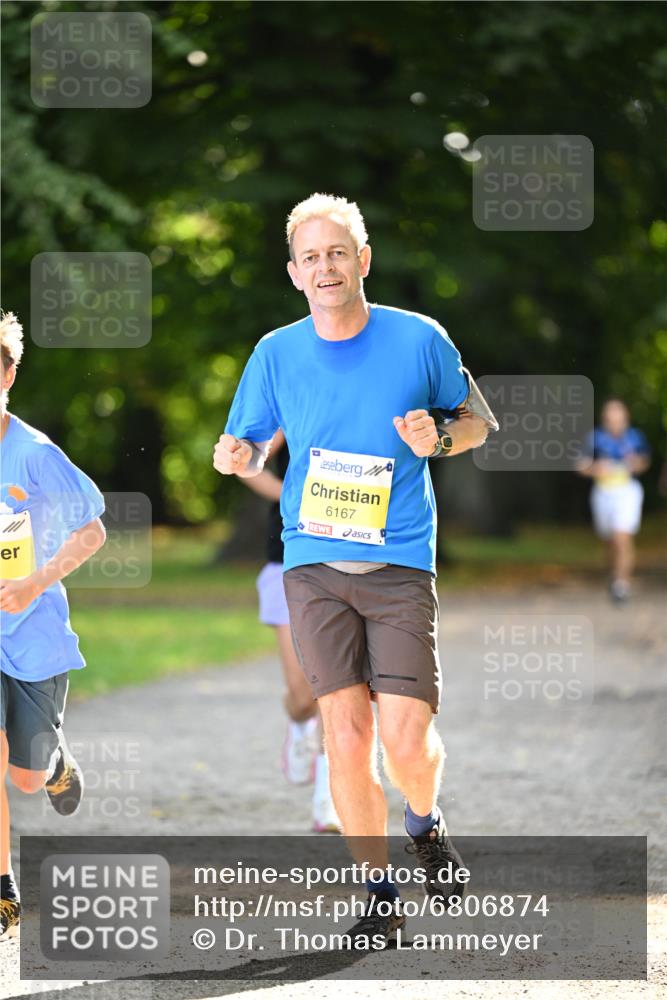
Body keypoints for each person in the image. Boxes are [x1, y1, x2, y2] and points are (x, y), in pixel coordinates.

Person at [213, 193, 493, 945]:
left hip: (399, 561)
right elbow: (243, 442)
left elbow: (476, 425)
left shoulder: (417, 339)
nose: (325, 266)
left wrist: (433, 435)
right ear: (294, 273)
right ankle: (377, 890)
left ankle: (425, 823)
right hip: (310, 561)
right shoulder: (276, 351)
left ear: (361, 260)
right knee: (344, 729)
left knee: (405, 742)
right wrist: (235, 453)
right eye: (310, 257)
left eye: (337, 252)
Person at [0, 311, 106, 940]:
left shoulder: (35, 455)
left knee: (26, 775)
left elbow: (92, 532)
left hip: (33, 630)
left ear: (8, 373)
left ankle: (55, 762)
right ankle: (3, 886)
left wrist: (34, 583)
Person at [240, 427, 340, 832]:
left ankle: (328, 801)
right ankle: (299, 725)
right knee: (304, 696)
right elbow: (247, 464)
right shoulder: (288, 398)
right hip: (288, 556)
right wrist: (291, 495)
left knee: (337, 686)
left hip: (350, 553)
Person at [577, 398, 651, 602]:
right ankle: (614, 574)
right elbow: (580, 465)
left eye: (618, 418)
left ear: (625, 419)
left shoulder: (635, 437)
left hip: (628, 491)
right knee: (610, 541)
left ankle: (622, 584)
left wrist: (637, 464)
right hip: (603, 492)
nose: (614, 422)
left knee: (622, 536)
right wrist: (595, 469)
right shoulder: (595, 438)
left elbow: (645, 461)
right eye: (610, 418)